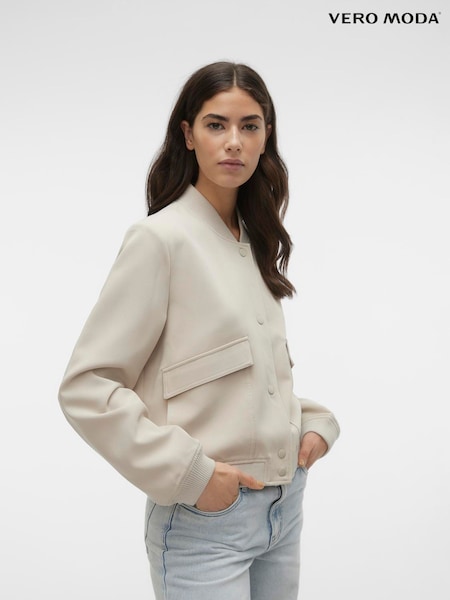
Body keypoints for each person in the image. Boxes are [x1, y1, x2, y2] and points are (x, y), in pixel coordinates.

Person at [59, 61, 340, 600]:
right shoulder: (160, 239)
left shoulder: (252, 240)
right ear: (188, 135)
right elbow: (86, 387)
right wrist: (192, 476)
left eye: (249, 126)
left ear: (266, 136)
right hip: (204, 525)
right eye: (216, 125)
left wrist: (310, 423)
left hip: (284, 512)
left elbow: (229, 379)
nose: (234, 141)